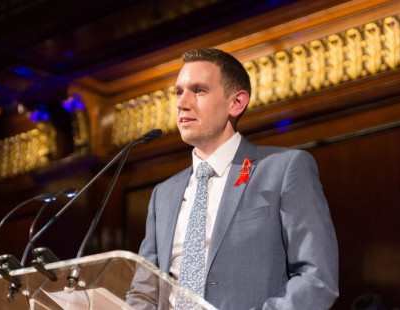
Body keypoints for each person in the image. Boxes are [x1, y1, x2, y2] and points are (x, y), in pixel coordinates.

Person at [127, 48, 339, 310]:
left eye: (199, 90)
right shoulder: (163, 194)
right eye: (179, 92)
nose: (182, 103)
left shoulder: (284, 169)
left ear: (236, 103)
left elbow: (317, 278)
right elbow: (144, 292)